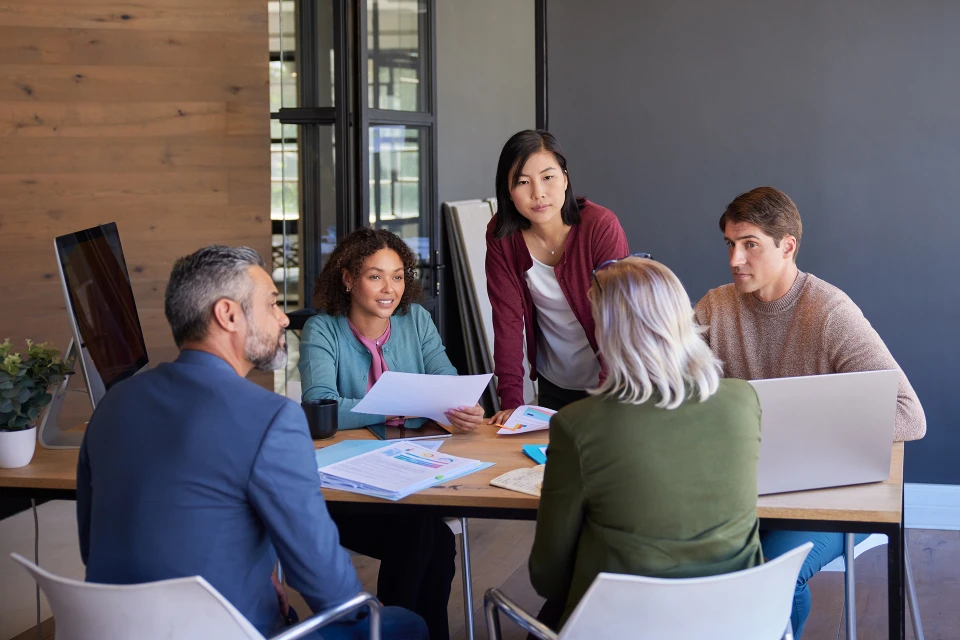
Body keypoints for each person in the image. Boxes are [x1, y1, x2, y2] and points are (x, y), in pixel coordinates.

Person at [76, 245, 428, 640]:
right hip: (234, 632)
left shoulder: (112, 405)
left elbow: (92, 547)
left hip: (114, 629)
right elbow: (334, 595)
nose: (282, 319)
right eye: (272, 304)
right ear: (228, 315)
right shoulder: (272, 418)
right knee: (407, 625)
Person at [694, 186, 927, 639]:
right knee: (696, 560)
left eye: (750, 245)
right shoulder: (715, 306)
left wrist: (809, 437)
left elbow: (909, 415)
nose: (735, 260)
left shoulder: (829, 311)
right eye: (730, 244)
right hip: (745, 490)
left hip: (827, 495)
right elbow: (675, 391)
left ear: (787, 246)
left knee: (774, 570)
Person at [529, 257, 764, 631]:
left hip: (624, 624)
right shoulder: (743, 401)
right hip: (733, 620)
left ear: (610, 331)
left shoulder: (578, 425)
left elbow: (547, 577)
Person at [299, 227, 484, 640]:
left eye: (398, 276)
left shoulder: (416, 319)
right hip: (344, 488)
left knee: (432, 540)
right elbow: (320, 409)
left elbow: (446, 382)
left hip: (408, 472)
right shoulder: (322, 329)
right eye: (375, 275)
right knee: (427, 536)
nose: (390, 289)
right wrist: (404, 405)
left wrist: (463, 409)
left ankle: (402, 632)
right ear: (348, 278)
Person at [485, 129, 630, 426]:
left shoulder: (600, 227)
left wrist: (606, 397)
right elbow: (507, 320)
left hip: (610, 380)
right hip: (555, 381)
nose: (538, 192)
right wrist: (512, 403)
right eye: (523, 182)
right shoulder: (503, 235)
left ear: (565, 178)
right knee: (547, 468)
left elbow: (617, 319)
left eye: (548, 177)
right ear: (508, 192)